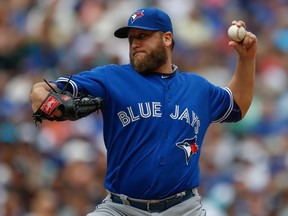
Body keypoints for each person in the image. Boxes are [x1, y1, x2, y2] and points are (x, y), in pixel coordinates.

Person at [30, 8, 257, 216]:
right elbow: (39, 93)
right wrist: (53, 104)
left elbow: (238, 104)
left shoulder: (197, 88)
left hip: (183, 209)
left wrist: (246, 59)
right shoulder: (112, 78)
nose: (135, 43)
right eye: (131, 39)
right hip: (121, 208)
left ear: (167, 38)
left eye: (143, 36)